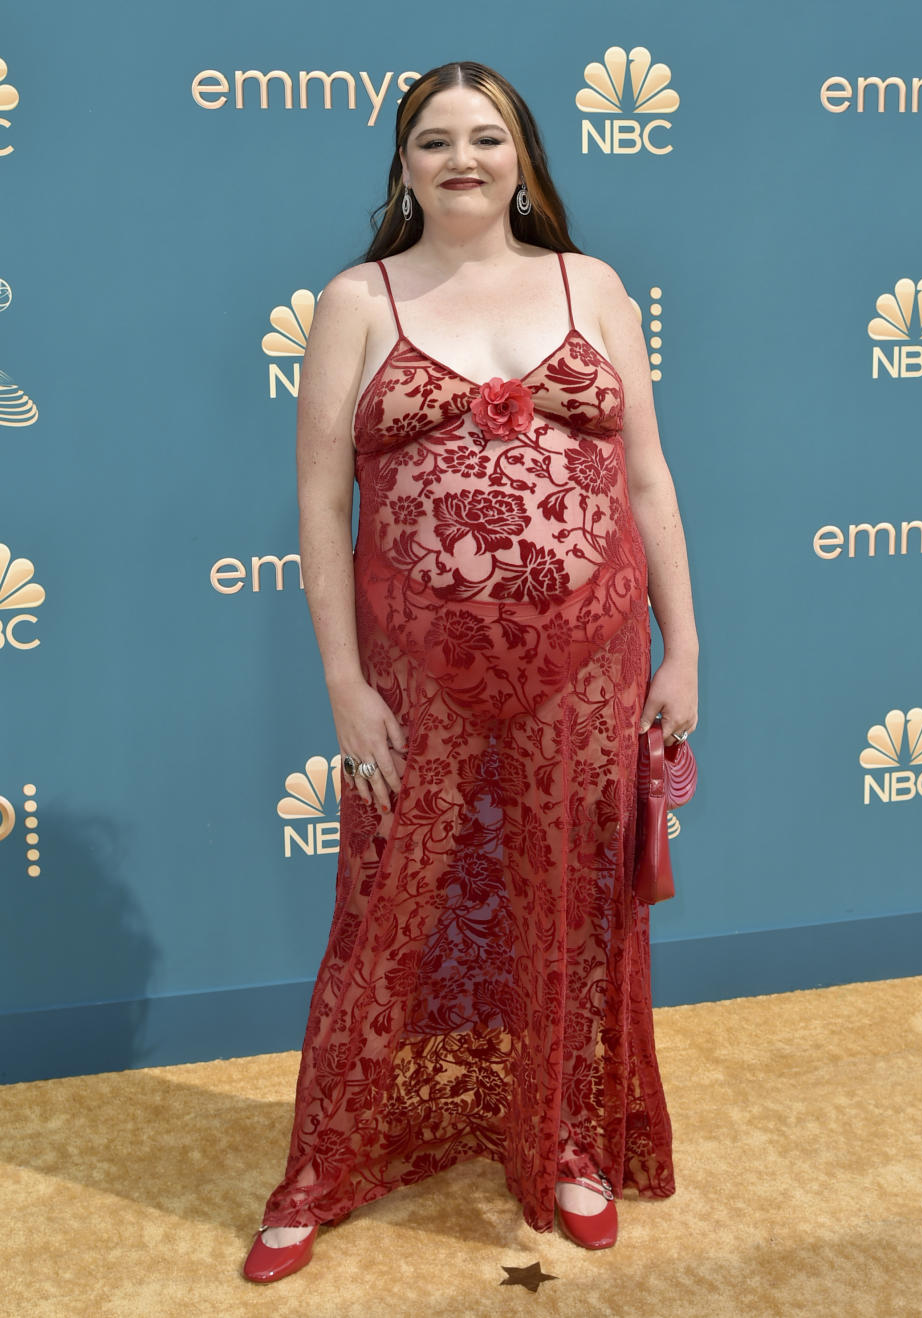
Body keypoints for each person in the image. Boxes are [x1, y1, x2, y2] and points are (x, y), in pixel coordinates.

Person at [243, 59, 698, 1284]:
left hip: (591, 662)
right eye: (433, 140)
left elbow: (648, 479)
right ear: (402, 166)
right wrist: (342, 679)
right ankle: (321, 1169)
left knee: (572, 904)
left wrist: (685, 647)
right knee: (388, 912)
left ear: (525, 159)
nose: (461, 158)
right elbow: (316, 500)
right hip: (415, 674)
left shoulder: (589, 286)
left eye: (485, 138)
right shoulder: (356, 299)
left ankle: (568, 1146)